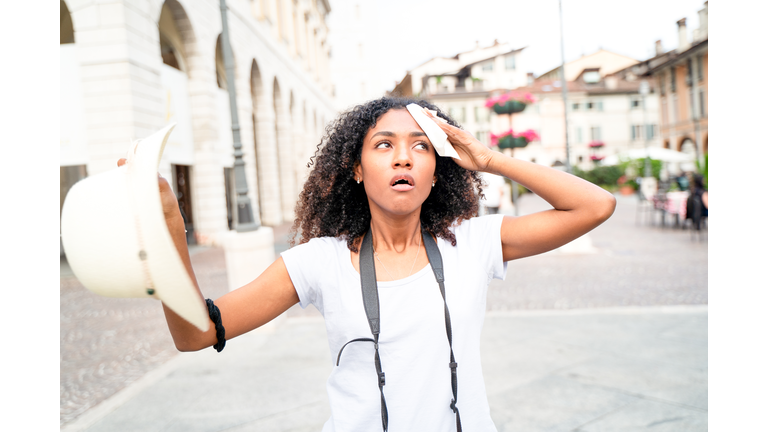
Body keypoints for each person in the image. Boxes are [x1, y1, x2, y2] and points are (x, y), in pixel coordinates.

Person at [122, 97, 616, 431]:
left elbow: (595, 206)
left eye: (420, 147)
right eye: (385, 145)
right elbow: (196, 334)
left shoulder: (474, 242)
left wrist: (488, 159)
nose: (404, 158)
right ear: (356, 169)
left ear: (435, 171)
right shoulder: (320, 262)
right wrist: (168, 225)